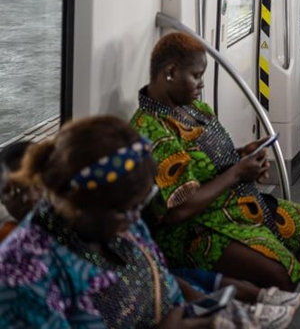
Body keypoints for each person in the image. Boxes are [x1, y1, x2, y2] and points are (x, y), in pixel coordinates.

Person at [132, 32, 300, 291]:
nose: (201, 84)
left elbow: (211, 157)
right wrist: (236, 174)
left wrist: (244, 154)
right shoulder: (150, 129)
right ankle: (264, 302)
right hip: (193, 228)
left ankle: (266, 298)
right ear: (170, 73)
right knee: (279, 275)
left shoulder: (195, 110)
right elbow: (177, 210)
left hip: (234, 203)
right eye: (196, 76)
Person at [0, 116, 206, 327]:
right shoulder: (22, 272)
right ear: (78, 203)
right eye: (124, 210)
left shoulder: (123, 219)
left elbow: (165, 287)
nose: (136, 218)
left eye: (141, 203)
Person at [0, 140, 38, 242]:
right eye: (14, 191)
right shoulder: (6, 244)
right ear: (1, 198)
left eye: (37, 185)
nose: (29, 197)